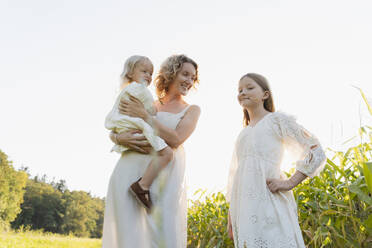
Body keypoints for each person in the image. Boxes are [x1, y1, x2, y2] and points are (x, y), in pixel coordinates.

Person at [102, 54, 201, 248]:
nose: (189, 81)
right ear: (171, 73)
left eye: (193, 77)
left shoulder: (192, 110)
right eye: (185, 75)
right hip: (128, 171)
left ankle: (144, 187)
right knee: (128, 234)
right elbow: (118, 124)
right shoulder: (145, 101)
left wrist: (145, 116)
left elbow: (176, 138)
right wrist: (117, 137)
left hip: (166, 177)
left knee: (162, 234)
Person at [226, 73, 326, 247]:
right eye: (240, 90)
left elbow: (315, 150)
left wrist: (289, 182)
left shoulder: (277, 120)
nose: (243, 92)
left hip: (271, 203)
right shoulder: (242, 134)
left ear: (265, 94)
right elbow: (235, 177)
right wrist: (231, 216)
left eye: (249, 88)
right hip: (246, 211)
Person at [105, 55, 173, 210]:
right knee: (167, 154)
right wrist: (153, 110)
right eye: (144, 71)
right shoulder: (139, 89)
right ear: (130, 73)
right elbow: (150, 110)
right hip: (136, 128)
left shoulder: (126, 91)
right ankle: (142, 186)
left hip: (127, 129)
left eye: (150, 73)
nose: (148, 76)